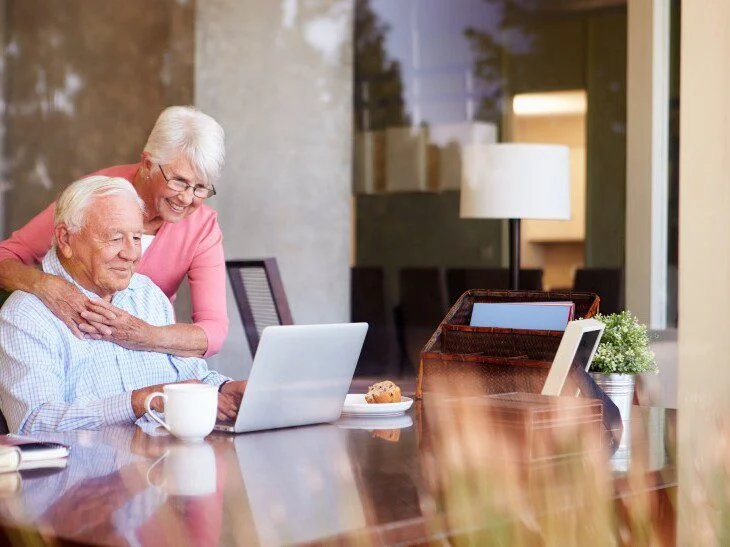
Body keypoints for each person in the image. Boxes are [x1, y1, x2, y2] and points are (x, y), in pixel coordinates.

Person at [0, 176, 246, 434]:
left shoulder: (147, 294)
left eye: (137, 238)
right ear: (65, 239)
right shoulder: (25, 314)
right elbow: (33, 423)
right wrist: (138, 402)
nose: (130, 254)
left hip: (159, 468)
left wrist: (225, 388)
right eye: (115, 238)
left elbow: (188, 375)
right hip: (84, 472)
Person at [0, 106, 227, 358]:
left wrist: (143, 335)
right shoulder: (95, 197)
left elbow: (213, 330)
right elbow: (5, 257)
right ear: (148, 163)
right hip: (77, 349)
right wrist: (46, 286)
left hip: (144, 357)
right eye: (179, 181)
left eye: (200, 187)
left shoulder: (202, 227)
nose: (187, 198)